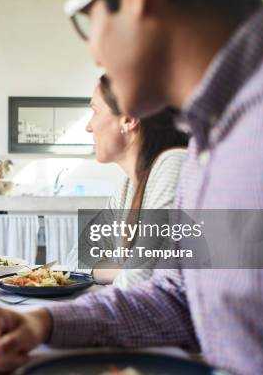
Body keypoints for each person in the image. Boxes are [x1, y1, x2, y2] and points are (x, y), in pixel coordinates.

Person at [0, 0, 263, 373]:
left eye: (86, 15)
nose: (94, 51)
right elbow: (179, 297)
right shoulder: (207, 137)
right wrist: (44, 322)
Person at [66, 74, 188, 288]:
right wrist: (123, 271)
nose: (88, 126)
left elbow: (142, 281)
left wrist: (125, 271)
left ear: (129, 120)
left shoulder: (173, 165)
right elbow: (76, 259)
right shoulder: (126, 190)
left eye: (95, 111)